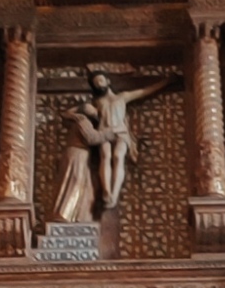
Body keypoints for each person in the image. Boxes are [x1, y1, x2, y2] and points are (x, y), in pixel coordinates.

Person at [52, 68, 161, 224]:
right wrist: (78, 115)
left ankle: (114, 193)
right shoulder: (96, 103)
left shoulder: (122, 97)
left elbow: (144, 91)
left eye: (101, 80)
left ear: (108, 81)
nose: (99, 84)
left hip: (120, 132)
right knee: (105, 156)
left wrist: (166, 82)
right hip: (104, 132)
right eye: (96, 83)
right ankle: (107, 191)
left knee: (118, 157)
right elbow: (67, 113)